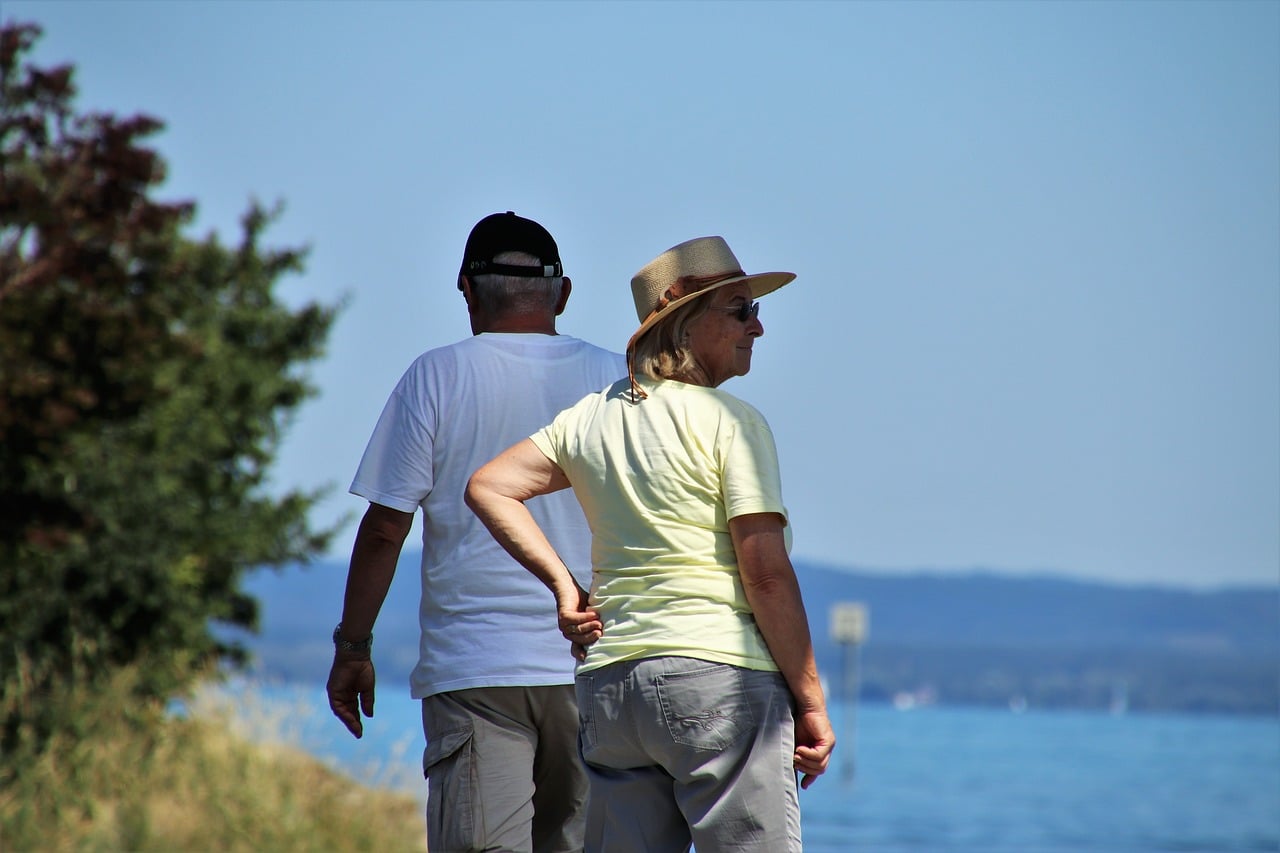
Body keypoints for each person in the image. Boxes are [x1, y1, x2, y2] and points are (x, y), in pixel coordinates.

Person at [465, 235, 835, 852]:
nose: (759, 327)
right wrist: (812, 701)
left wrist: (566, 590)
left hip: (614, 688)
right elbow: (765, 574)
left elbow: (489, 486)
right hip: (718, 679)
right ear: (685, 322)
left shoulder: (588, 417)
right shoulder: (733, 423)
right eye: (741, 310)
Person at [326, 211, 625, 853]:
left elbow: (384, 529)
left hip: (477, 670)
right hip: (598, 664)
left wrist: (353, 648)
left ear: (465, 287)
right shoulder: (620, 381)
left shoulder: (435, 377)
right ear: (562, 293)